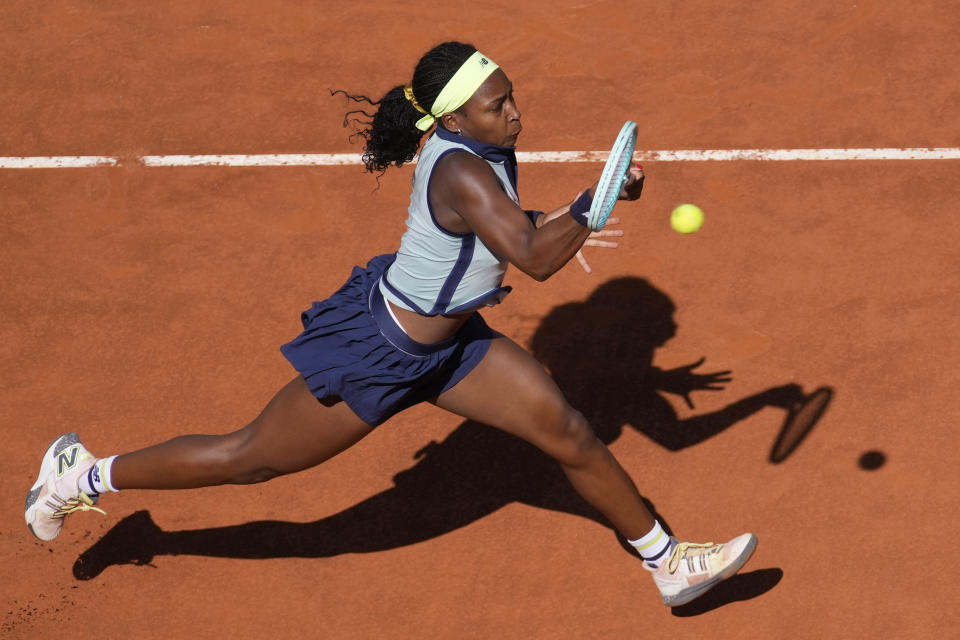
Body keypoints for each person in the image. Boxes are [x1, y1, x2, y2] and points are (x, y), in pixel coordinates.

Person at [25, 41, 756, 607]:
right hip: (382, 353)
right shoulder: (463, 170)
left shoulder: (488, 148)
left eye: (511, 98)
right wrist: (590, 208)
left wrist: (579, 208)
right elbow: (532, 259)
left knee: (566, 430)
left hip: (456, 347)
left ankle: (666, 563)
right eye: (498, 106)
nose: (514, 114)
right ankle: (80, 474)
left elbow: (505, 234)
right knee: (249, 459)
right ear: (454, 119)